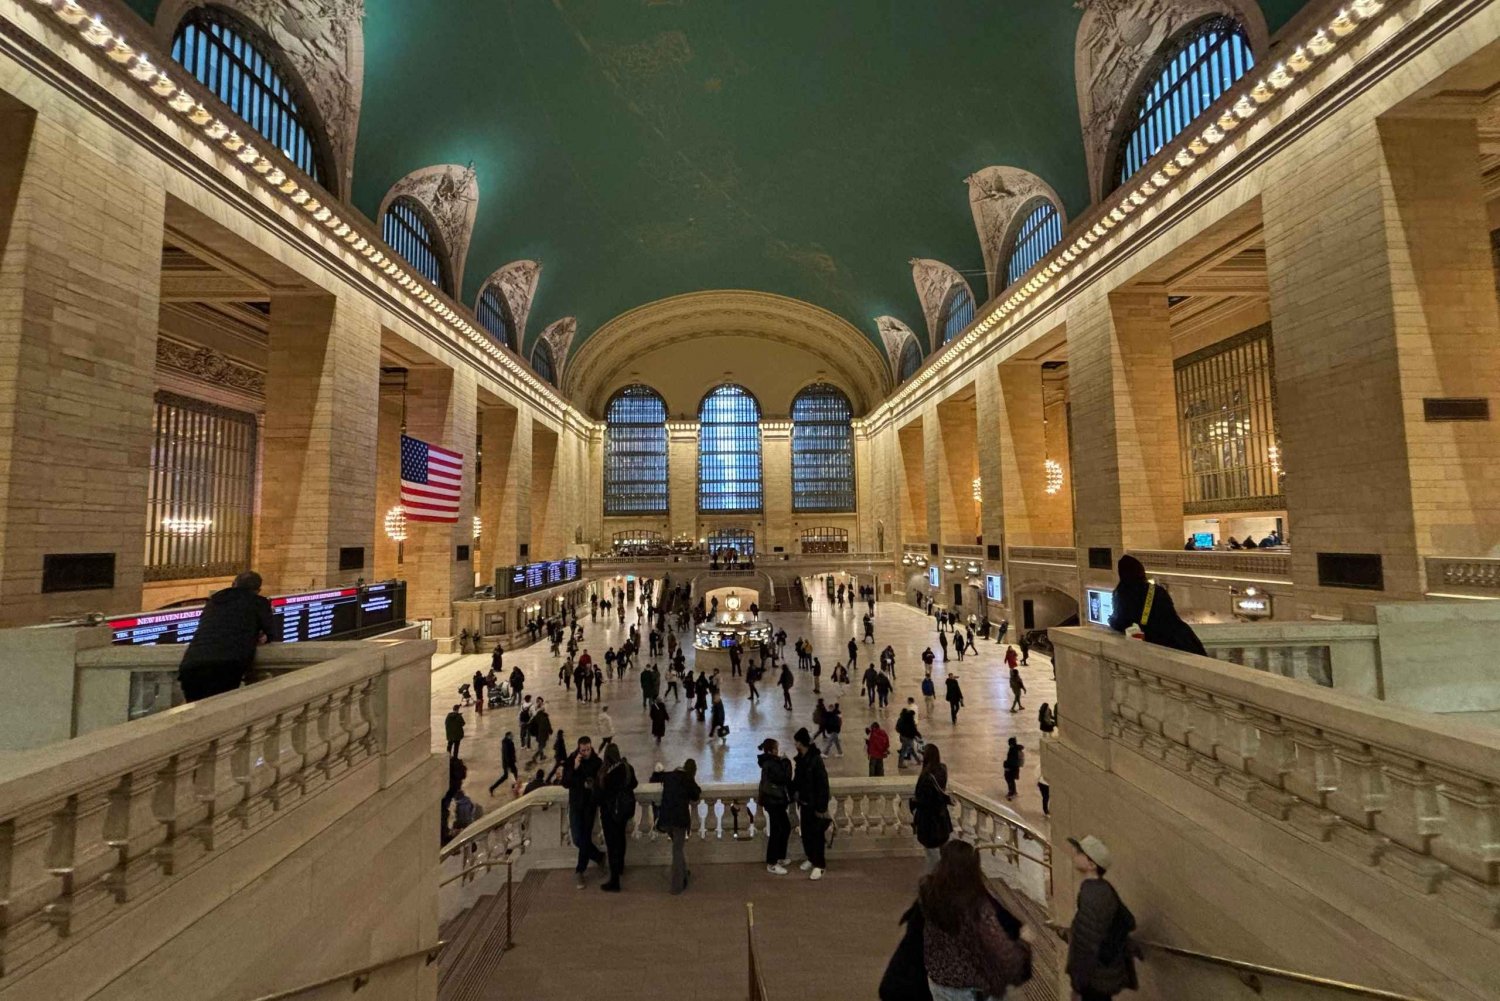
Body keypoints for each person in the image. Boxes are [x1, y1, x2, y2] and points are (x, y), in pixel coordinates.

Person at [920, 840, 1035, 1000]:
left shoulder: (930, 894)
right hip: (972, 989)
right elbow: (1002, 950)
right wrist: (1023, 943)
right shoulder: (977, 907)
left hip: (939, 982)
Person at [176, 571, 277, 701]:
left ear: (233, 584)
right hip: (227, 666)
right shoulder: (259, 602)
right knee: (218, 713)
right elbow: (270, 633)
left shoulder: (215, 600)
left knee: (196, 714)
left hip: (192, 665)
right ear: (258, 590)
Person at [1066, 835, 1138, 1001]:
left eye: (1080, 852)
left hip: (1094, 977)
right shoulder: (1103, 888)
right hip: (1103, 973)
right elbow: (1128, 920)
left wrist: (1078, 985)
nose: (1075, 854)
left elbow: (1087, 944)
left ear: (1092, 865)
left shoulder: (1093, 895)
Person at [1108, 554, 1207, 655]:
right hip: (1183, 639)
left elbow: (1122, 622)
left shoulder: (1123, 593)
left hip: (1158, 641)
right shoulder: (1156, 589)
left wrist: (1110, 620)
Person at [562, 736, 606, 888]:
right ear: (578, 749)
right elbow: (565, 783)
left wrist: (592, 785)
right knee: (577, 839)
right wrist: (574, 767)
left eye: (588, 749)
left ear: (591, 747)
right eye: (583, 750)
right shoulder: (572, 759)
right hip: (575, 804)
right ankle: (599, 856)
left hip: (589, 806)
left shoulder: (597, 762)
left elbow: (601, 783)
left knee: (585, 837)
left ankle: (580, 871)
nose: (586, 752)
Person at [597, 742, 638, 893]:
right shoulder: (627, 768)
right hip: (623, 811)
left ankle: (614, 881)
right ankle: (620, 868)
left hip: (609, 814)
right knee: (621, 839)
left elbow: (599, 795)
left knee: (612, 845)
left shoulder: (604, 772)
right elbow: (634, 784)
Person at [657, 758, 701, 894]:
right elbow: (696, 794)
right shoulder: (688, 779)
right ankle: (677, 886)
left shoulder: (670, 775)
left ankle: (684, 872)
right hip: (679, 819)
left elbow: (656, 777)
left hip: (665, 818)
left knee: (678, 848)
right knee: (677, 849)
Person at [792, 728, 831, 880]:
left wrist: (821, 807)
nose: (794, 744)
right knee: (806, 834)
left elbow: (823, 784)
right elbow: (798, 779)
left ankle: (820, 865)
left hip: (814, 805)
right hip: (803, 803)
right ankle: (811, 858)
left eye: (796, 741)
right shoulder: (801, 759)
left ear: (800, 743)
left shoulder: (815, 760)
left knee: (817, 836)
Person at [910, 743, 952, 871]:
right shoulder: (943, 769)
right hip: (942, 818)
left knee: (932, 856)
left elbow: (922, 798)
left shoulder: (926, 776)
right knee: (942, 851)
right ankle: (944, 878)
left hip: (929, 822)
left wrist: (913, 803)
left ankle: (934, 883)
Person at [757, 739, 794, 875]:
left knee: (785, 827)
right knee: (777, 830)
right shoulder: (771, 763)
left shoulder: (769, 762)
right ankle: (772, 863)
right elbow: (785, 778)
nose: (778, 750)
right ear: (771, 750)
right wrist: (786, 761)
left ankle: (779, 857)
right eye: (776, 748)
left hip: (775, 801)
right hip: (774, 802)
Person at [488, 731, 519, 795]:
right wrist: (508, 766)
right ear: (508, 736)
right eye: (511, 735)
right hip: (509, 763)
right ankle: (514, 788)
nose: (513, 736)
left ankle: (493, 788)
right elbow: (507, 755)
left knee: (509, 775)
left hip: (509, 763)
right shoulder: (507, 744)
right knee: (511, 774)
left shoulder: (507, 742)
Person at [895, 699, 922, 767]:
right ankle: (900, 764)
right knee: (904, 750)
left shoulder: (902, 719)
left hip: (903, 736)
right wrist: (918, 735)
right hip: (908, 737)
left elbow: (897, 728)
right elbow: (913, 730)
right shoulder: (910, 721)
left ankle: (918, 761)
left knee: (911, 749)